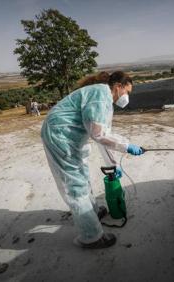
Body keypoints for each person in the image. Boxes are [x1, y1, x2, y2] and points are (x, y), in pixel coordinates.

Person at [41, 71, 143, 249]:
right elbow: (99, 135)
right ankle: (91, 236)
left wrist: (112, 164)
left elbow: (104, 136)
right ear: (118, 87)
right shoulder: (100, 96)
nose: (127, 97)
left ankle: (93, 211)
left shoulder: (104, 99)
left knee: (83, 173)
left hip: (69, 136)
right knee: (75, 185)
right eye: (127, 92)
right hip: (60, 136)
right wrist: (127, 146)